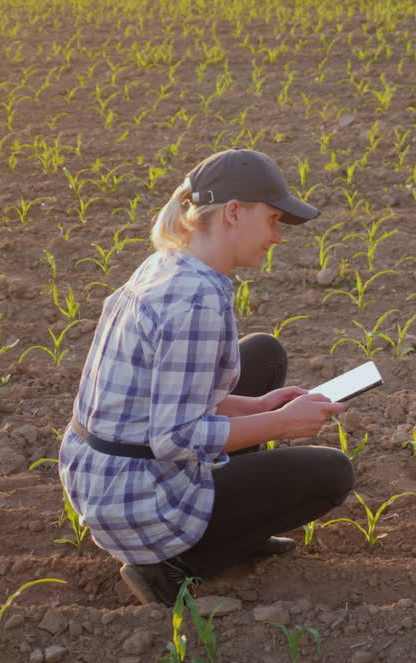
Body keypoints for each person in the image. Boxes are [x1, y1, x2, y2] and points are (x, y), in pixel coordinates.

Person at [59, 149, 354, 607]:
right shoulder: (196, 300)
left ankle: (237, 532)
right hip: (137, 500)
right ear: (233, 213)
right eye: (274, 219)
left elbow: (169, 396)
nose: (278, 236)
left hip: (103, 476)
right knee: (332, 474)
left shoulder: (170, 263)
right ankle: (174, 567)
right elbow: (174, 438)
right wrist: (282, 424)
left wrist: (258, 408)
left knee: (261, 356)